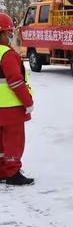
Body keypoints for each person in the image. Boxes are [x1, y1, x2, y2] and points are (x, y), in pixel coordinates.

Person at [0, 13, 35, 185]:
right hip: (10, 108)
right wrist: (28, 102)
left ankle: (1, 170)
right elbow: (15, 81)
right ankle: (12, 172)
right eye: (8, 33)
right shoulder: (7, 54)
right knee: (14, 140)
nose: (10, 36)